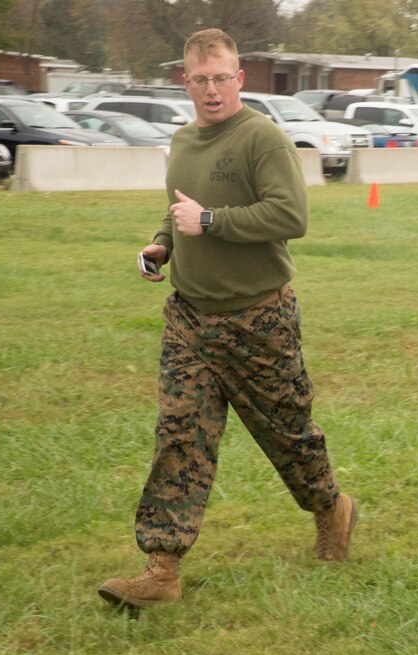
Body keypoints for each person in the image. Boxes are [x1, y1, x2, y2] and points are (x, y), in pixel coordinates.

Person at [99, 28, 357, 609]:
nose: (212, 90)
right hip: (190, 318)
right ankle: (161, 569)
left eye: (222, 78)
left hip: (258, 320)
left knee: (289, 437)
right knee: (179, 434)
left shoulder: (262, 138)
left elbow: (291, 215)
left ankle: (332, 509)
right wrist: (162, 243)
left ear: (239, 79)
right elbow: (177, 213)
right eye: (200, 79)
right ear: (184, 81)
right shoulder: (184, 141)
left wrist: (210, 222)